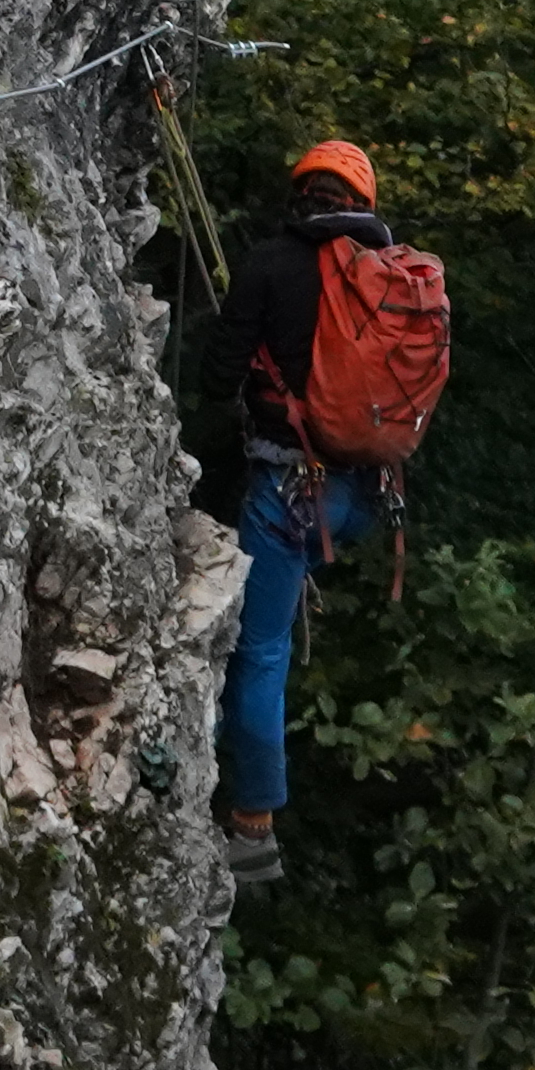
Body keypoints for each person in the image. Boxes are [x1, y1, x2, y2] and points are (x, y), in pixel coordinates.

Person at [212, 141, 404, 877]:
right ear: (364, 206)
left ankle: (254, 825)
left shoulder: (270, 264)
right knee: (271, 615)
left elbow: (219, 374)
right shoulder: (391, 276)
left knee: (261, 653)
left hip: (289, 494)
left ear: (300, 197)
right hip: (366, 498)